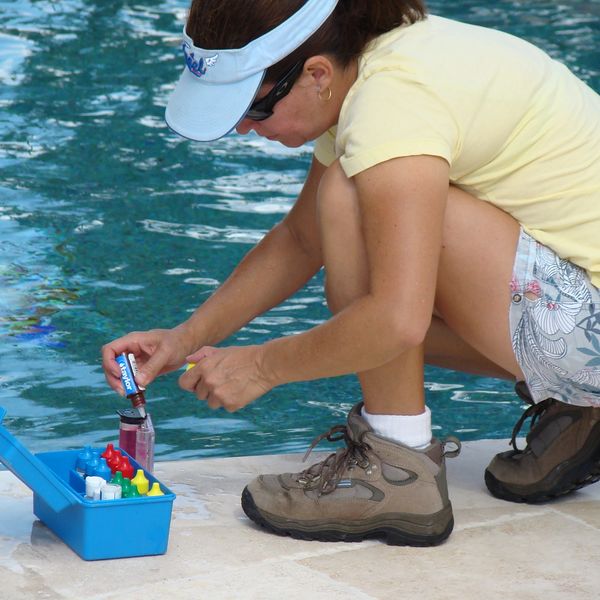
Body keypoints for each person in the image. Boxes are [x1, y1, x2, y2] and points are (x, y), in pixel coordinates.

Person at [102, 0, 600, 546]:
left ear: (316, 74)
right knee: (367, 250)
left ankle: (398, 466)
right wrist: (185, 338)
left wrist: (263, 367)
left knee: (356, 208)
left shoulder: (393, 103)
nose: (242, 128)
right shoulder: (378, 68)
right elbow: (299, 241)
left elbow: (397, 320)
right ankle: (582, 407)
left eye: (253, 107)